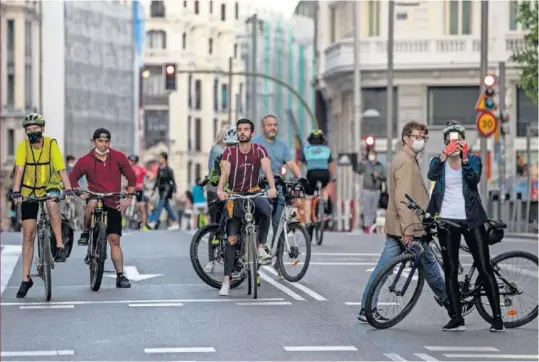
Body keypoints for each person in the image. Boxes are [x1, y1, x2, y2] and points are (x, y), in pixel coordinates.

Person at [357, 121, 448, 322]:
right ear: (406, 138)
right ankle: (451, 303)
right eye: (417, 137)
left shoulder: (407, 158)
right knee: (428, 267)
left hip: (405, 227)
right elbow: (403, 198)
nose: (421, 141)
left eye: (424, 138)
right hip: (408, 228)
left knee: (386, 268)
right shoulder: (405, 161)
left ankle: (366, 308)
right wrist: (408, 230)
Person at [427, 121, 504, 332]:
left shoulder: (474, 161)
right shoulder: (439, 162)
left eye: (458, 139)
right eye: (450, 140)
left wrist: (464, 158)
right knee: (450, 269)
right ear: (445, 143)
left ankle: (497, 317)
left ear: (463, 141)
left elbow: (473, 180)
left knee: (483, 265)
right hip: (446, 221)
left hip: (472, 220)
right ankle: (456, 316)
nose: (454, 143)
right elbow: (431, 175)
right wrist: (443, 156)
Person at [11, 113, 74, 298]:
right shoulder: (23, 147)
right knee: (28, 234)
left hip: (50, 185)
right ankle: (25, 279)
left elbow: (61, 169)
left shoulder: (51, 144)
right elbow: (20, 169)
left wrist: (68, 189)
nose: (32, 132)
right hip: (29, 190)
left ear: (42, 129)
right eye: (28, 130)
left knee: (52, 205)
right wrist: (16, 191)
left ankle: (60, 245)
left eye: (35, 129)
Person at [216, 118, 277, 296]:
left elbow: (267, 170)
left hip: (254, 192)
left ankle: (260, 246)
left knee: (266, 210)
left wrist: (272, 188)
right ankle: (226, 281)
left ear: (252, 133)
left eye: (246, 129)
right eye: (240, 129)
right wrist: (221, 190)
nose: (242, 132)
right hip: (235, 195)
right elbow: (225, 173)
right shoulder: (229, 153)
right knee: (232, 239)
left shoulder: (259, 150)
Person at [69, 128, 136, 288]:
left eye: (106, 141)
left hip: (113, 200)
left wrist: (128, 197)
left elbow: (131, 177)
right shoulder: (85, 160)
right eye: (100, 141)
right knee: (91, 204)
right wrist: (79, 191)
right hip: (94, 197)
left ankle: (120, 276)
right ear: (94, 142)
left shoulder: (118, 157)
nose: (103, 144)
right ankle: (86, 231)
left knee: (114, 240)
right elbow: (71, 178)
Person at [252, 114, 303, 235]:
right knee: (260, 220)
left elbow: (291, 164)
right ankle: (258, 246)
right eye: (269, 125)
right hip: (259, 187)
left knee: (278, 222)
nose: (273, 128)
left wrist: (300, 178)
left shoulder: (283, 145)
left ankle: (277, 250)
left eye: (275, 125)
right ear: (263, 127)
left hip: (278, 187)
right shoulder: (254, 143)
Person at [300, 130, 336, 236]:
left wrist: (298, 176)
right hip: (324, 173)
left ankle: (307, 223)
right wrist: (332, 177)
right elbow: (332, 164)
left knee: (308, 198)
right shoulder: (326, 150)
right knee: (325, 186)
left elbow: (300, 164)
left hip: (311, 174)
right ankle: (324, 201)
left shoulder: (306, 149)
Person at [207, 126, 238, 224]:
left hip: (219, 187)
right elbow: (216, 171)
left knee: (216, 220)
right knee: (219, 220)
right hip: (218, 188)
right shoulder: (218, 150)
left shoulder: (217, 149)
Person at [355, 150, 387, 233]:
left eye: (373, 155)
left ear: (376, 156)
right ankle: (367, 226)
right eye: (370, 155)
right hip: (366, 190)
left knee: (373, 209)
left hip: (376, 191)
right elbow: (358, 171)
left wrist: (378, 175)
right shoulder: (365, 165)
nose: (371, 156)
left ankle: (372, 225)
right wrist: (361, 161)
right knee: (366, 209)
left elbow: (385, 177)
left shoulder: (380, 166)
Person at [147, 152, 180, 230]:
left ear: (165, 159)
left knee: (160, 205)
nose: (160, 159)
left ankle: (154, 222)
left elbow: (173, 181)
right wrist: (153, 190)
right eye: (159, 158)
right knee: (167, 207)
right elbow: (157, 181)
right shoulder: (159, 169)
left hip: (167, 190)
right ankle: (176, 222)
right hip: (160, 190)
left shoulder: (169, 170)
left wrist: (174, 192)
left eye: (161, 158)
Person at [127, 154, 152, 231]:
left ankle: (143, 225)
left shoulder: (140, 168)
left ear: (135, 161)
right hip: (130, 189)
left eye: (131, 160)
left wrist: (144, 183)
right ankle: (123, 223)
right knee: (124, 205)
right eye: (129, 160)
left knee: (142, 208)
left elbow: (151, 175)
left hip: (139, 190)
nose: (129, 162)